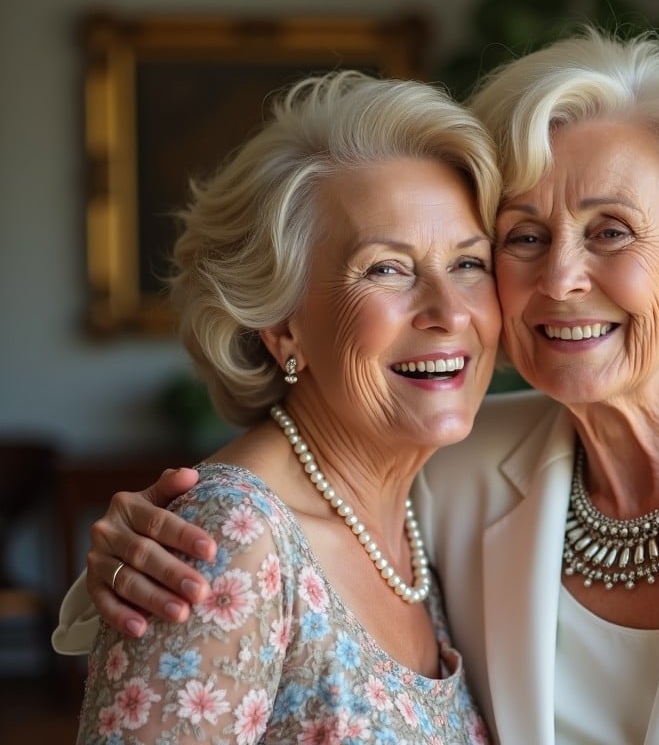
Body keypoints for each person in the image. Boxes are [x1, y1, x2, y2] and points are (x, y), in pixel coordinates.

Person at [56, 32, 659, 743]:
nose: (559, 278)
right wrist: (119, 572)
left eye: (611, 231)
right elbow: (257, 558)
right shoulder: (455, 471)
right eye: (520, 238)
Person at [71, 69, 501, 743]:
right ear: (282, 325)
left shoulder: (427, 511)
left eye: (470, 264)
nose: (450, 312)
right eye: (387, 268)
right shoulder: (230, 538)